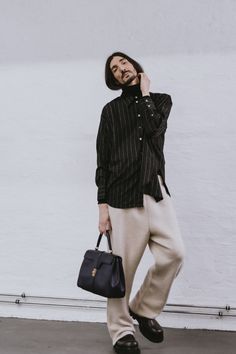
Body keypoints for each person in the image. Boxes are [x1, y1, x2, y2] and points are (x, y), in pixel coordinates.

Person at [95, 51, 185, 354]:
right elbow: (103, 160)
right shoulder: (110, 111)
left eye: (124, 63)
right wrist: (102, 207)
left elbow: (154, 129)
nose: (121, 69)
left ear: (135, 67)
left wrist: (145, 93)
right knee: (124, 270)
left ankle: (144, 308)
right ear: (113, 79)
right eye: (115, 69)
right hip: (121, 198)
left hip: (155, 191)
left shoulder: (160, 101)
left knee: (174, 253)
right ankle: (120, 332)